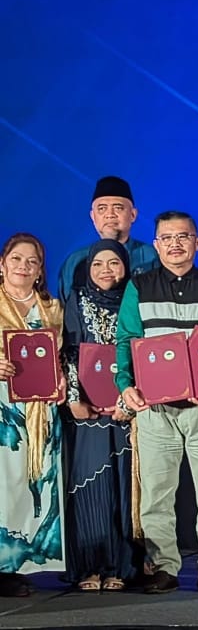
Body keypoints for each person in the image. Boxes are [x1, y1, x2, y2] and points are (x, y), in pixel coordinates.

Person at [117, 211, 198, 594]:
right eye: (166, 238)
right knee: (156, 493)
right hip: (155, 408)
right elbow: (126, 339)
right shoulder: (139, 286)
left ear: (197, 242)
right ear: (156, 244)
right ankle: (164, 567)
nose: (175, 244)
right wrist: (125, 385)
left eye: (183, 236)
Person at [61, 240, 144, 592]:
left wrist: (129, 401)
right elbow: (69, 350)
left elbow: (143, 352)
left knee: (126, 486)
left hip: (128, 409)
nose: (105, 270)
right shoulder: (76, 299)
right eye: (98, 264)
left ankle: (121, 567)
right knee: (90, 484)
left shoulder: (137, 299)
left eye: (114, 263)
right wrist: (74, 399)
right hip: (87, 411)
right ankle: (90, 565)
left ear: (126, 267)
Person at [0, 234, 65, 597]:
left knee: (33, 486)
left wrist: (63, 377)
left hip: (42, 411)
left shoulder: (52, 309)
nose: (23, 266)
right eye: (16, 259)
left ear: (40, 270)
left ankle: (17, 563)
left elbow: (61, 357)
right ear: (2, 264)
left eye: (32, 261)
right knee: (3, 486)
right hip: (2, 411)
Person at [58, 176, 159, 301]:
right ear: (93, 216)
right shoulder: (76, 261)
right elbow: (66, 307)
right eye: (102, 209)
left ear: (133, 215)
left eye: (118, 208)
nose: (110, 215)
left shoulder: (152, 257)